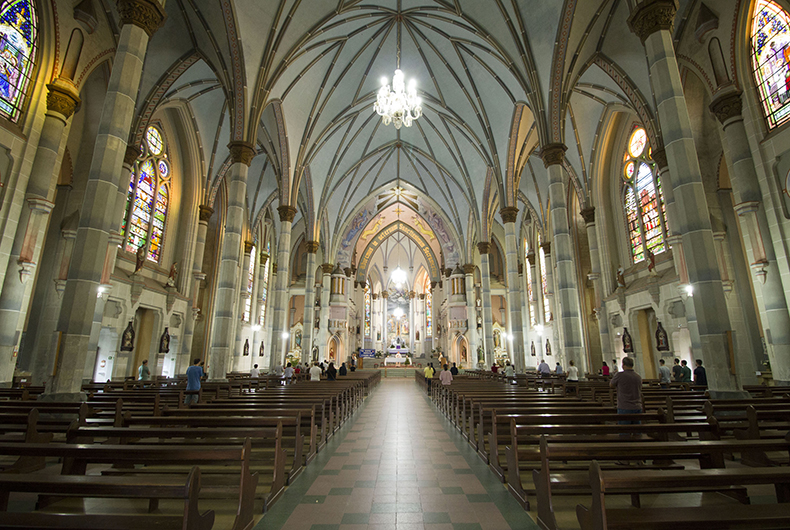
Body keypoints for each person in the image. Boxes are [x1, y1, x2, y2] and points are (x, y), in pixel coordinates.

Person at [610, 357, 642, 427]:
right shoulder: (638, 377)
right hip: (637, 406)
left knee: (624, 429)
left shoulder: (619, 375)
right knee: (637, 429)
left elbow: (611, 385)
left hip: (624, 406)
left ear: (623, 365)